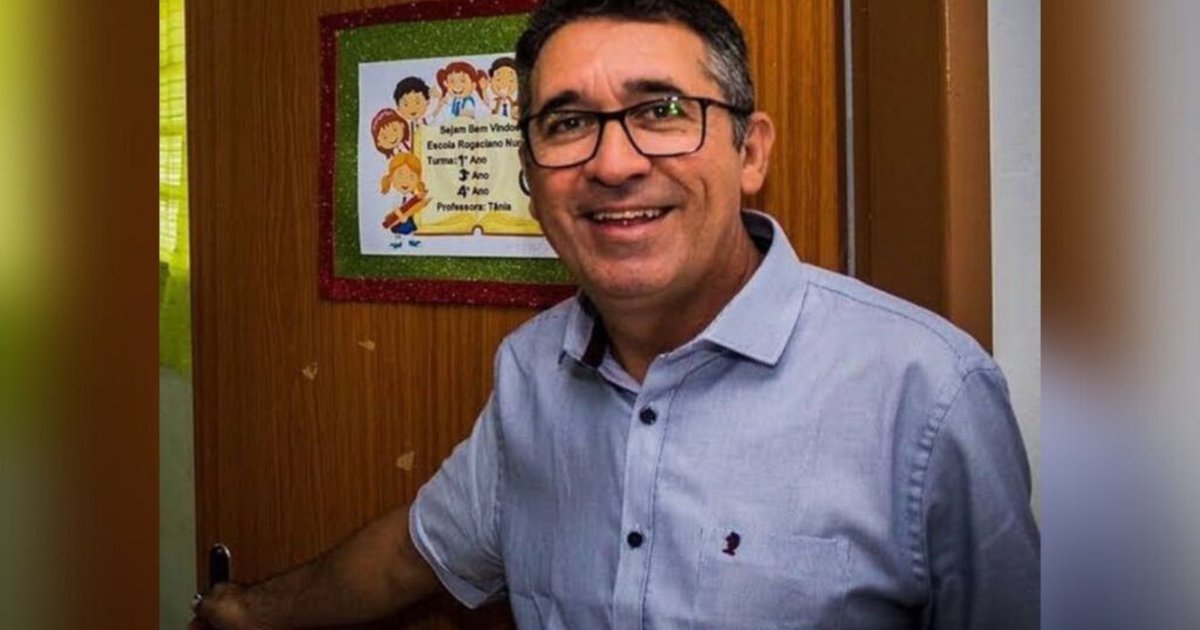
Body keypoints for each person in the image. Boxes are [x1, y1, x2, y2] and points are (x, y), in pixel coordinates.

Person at [194, 0, 1039, 628]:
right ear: (532, 178)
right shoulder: (530, 371)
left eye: (660, 111)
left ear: (750, 152)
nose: (613, 163)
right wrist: (246, 611)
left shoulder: (927, 393)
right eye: (568, 122)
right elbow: (417, 552)